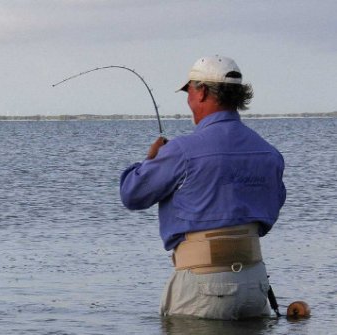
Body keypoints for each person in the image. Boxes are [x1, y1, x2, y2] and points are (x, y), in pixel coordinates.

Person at [119, 55, 286, 320]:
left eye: (189, 91)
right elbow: (269, 214)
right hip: (255, 284)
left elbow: (132, 195)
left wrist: (150, 160)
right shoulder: (270, 154)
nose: (188, 100)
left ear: (203, 92)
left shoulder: (181, 151)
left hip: (202, 286)